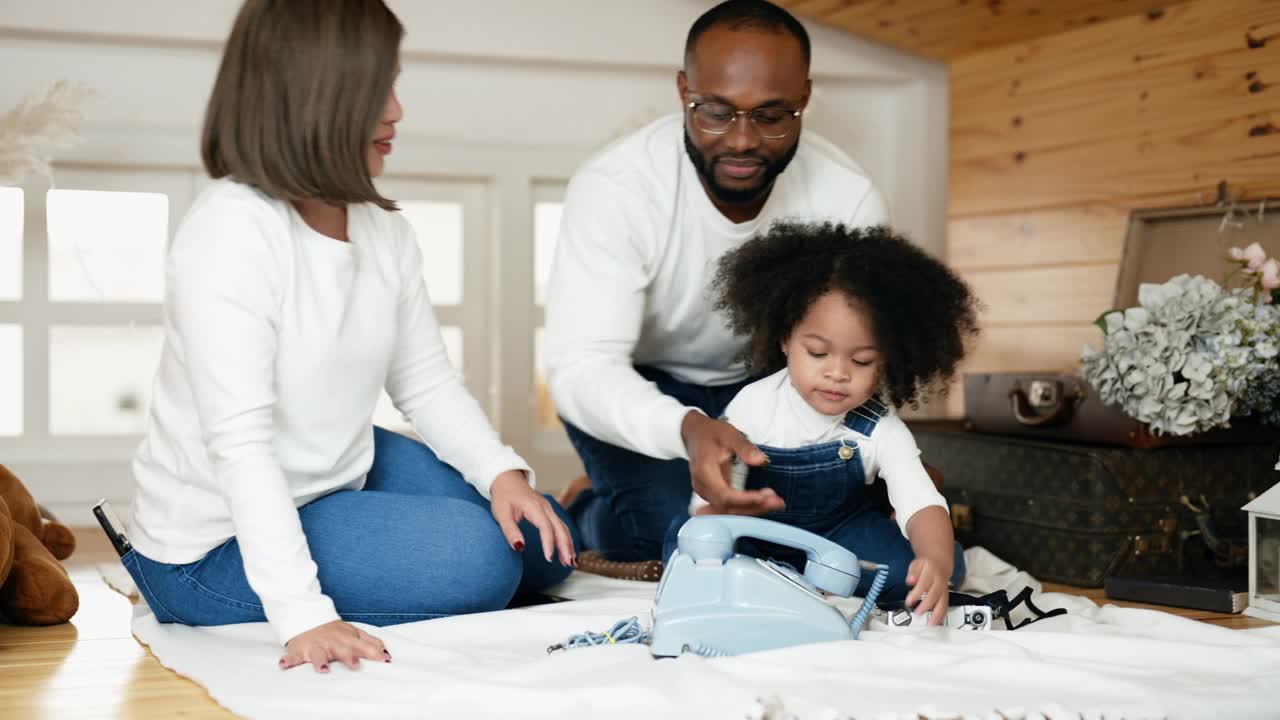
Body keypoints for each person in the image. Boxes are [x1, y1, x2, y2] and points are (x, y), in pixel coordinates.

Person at [121, 0, 576, 674]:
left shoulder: (382, 230)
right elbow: (240, 446)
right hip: (209, 548)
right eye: (376, 90)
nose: (396, 111)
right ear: (314, 98)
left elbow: (425, 383)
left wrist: (503, 472)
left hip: (336, 471)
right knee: (480, 562)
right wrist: (305, 616)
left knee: (543, 546)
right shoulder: (229, 233)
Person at [545, 0, 888, 562]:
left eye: (772, 116)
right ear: (684, 91)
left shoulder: (848, 198)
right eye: (717, 112)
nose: (742, 141)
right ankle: (588, 509)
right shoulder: (616, 188)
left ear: (804, 98)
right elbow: (581, 366)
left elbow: (858, 350)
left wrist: (887, 458)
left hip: (769, 381)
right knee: (671, 535)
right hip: (642, 385)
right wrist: (685, 427)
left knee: (786, 526)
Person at [666, 221, 979, 622]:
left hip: (841, 534)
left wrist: (934, 558)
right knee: (685, 546)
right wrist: (715, 523)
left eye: (862, 360)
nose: (837, 373)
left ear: (888, 360)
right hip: (755, 533)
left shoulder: (878, 426)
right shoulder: (754, 405)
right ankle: (771, 577)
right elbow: (717, 498)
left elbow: (921, 501)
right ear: (785, 341)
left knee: (933, 566)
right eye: (817, 353)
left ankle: (785, 581)